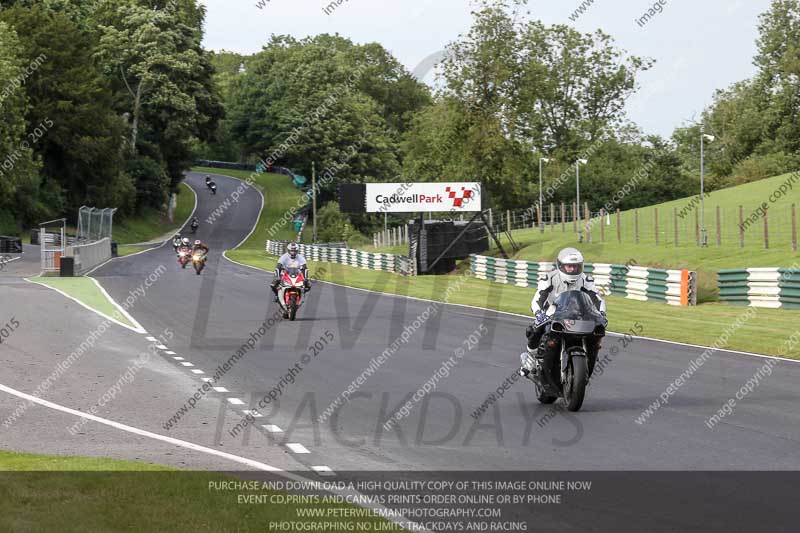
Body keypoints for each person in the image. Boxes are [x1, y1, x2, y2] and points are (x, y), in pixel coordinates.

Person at [519, 247, 607, 377]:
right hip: (552, 314)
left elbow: (597, 299)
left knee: (597, 331)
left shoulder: (585, 280)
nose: (572, 269)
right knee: (534, 330)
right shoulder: (549, 279)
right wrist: (539, 314)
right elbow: (537, 299)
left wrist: (602, 314)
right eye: (569, 266)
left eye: (575, 266)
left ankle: (591, 355)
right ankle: (530, 358)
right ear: (560, 265)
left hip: (578, 314)